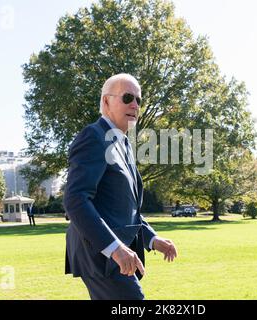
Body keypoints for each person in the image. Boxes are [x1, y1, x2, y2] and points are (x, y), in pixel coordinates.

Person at [64, 73, 178, 300]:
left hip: (117, 253)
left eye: (138, 100)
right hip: (102, 254)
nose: (135, 104)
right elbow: (75, 199)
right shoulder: (93, 136)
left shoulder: (123, 143)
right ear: (106, 102)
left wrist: (153, 240)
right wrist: (114, 248)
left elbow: (125, 208)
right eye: (127, 98)